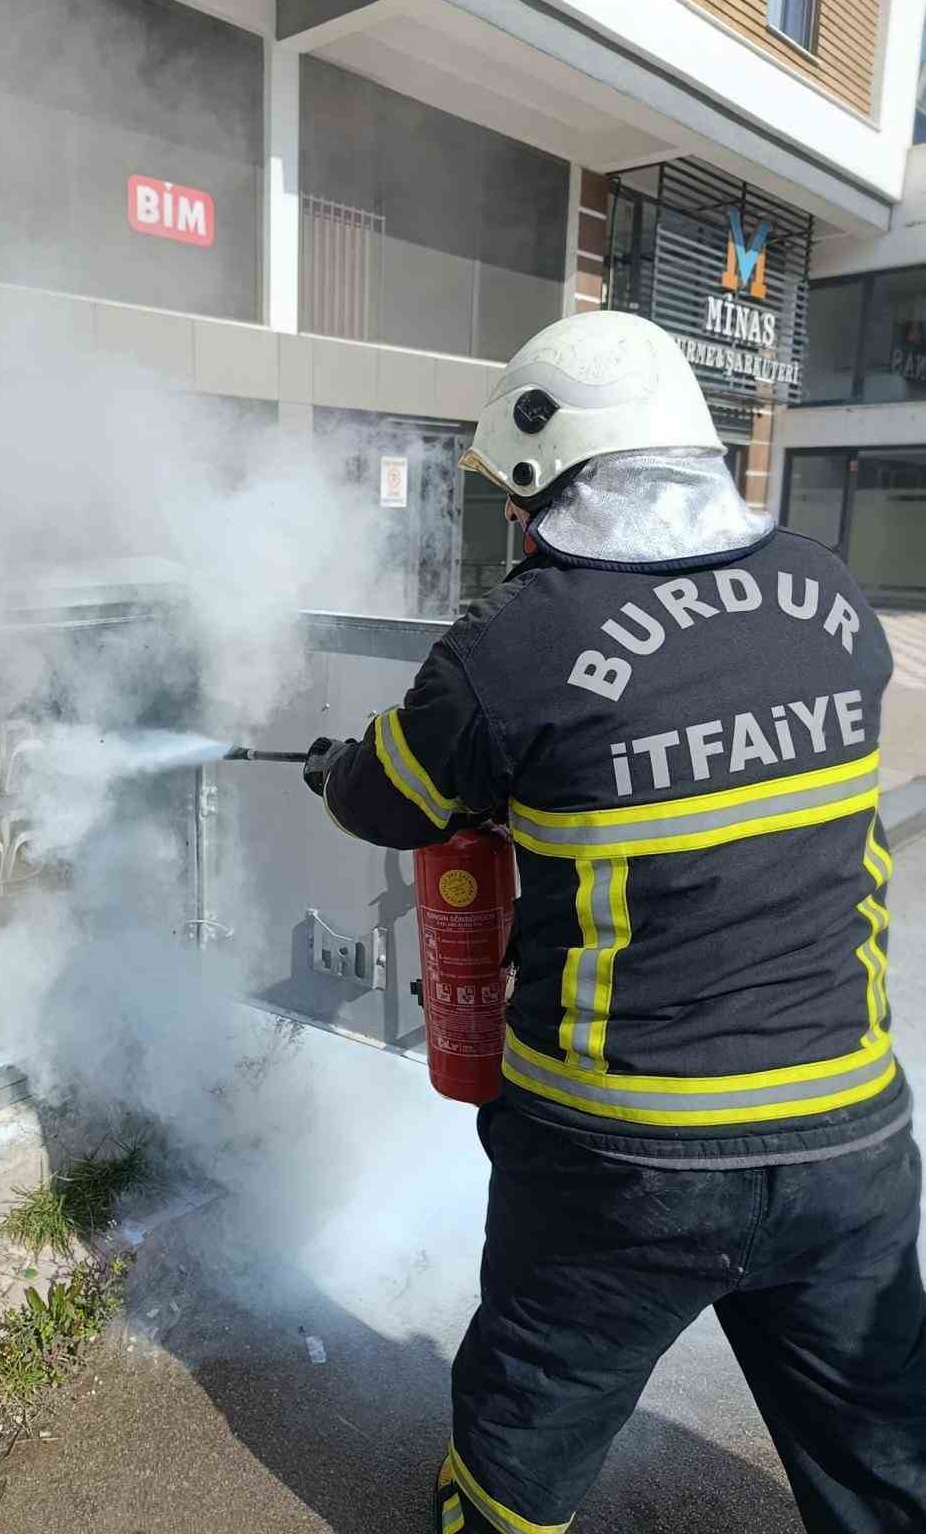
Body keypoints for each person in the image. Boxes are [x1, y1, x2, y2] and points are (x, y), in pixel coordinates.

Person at [302, 310, 926, 1534]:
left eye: (514, 496)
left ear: (545, 475)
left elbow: (388, 800)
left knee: (518, 1454)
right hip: (847, 1143)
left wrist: (336, 767)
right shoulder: (831, 594)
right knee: (885, 1470)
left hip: (620, 1165)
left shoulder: (516, 643)